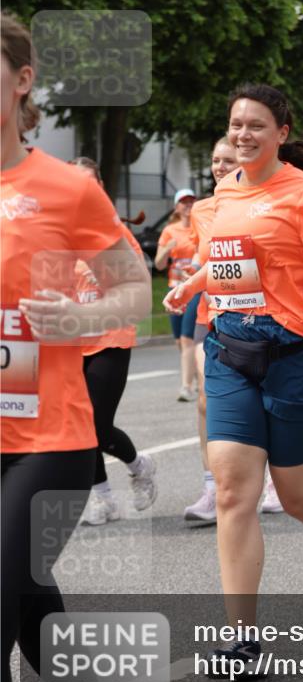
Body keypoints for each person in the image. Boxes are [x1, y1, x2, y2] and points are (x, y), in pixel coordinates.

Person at [164, 84, 303, 676]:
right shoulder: (215, 200)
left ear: (282, 133)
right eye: (236, 123)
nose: (242, 134)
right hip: (231, 350)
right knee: (235, 490)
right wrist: (192, 287)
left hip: (302, 354)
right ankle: (243, 640)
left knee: (296, 496)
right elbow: (228, 267)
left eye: (256, 126)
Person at [1, 12, 151, 682]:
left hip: (49, 439)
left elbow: (134, 290)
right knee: (27, 597)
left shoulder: (66, 187)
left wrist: (80, 312)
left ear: (23, 80)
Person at [70, 158, 157, 525]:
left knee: (94, 426)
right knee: (78, 426)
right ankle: (104, 499)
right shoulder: (56, 232)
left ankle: (139, 466)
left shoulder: (114, 233)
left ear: (100, 187)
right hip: (71, 342)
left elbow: (136, 287)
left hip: (110, 337)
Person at [184, 137, 239, 523]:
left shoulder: (253, 201)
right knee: (206, 399)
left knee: (255, 401)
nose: (220, 166)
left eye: (228, 160)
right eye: (216, 160)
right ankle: (211, 487)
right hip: (212, 313)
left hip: (257, 316)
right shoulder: (201, 210)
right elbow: (207, 258)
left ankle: (265, 478)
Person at [155, 187, 199, 402]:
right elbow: (159, 264)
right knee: (179, 341)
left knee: (187, 337)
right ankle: (197, 374)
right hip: (174, 288)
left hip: (194, 289)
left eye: (191, 201)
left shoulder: (200, 227)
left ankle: (186, 386)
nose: (188, 205)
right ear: (177, 206)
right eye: (184, 202)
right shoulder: (169, 231)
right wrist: (167, 249)